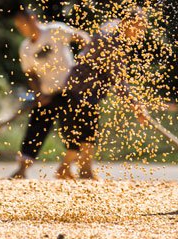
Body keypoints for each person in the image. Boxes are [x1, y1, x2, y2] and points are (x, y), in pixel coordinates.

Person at [56, 9, 149, 180]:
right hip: (82, 86)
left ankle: (75, 168)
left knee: (86, 128)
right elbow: (119, 81)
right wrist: (136, 105)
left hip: (85, 86)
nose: (141, 32)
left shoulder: (112, 26)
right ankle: (79, 169)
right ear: (129, 23)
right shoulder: (112, 41)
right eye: (139, 27)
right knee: (84, 129)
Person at [10, 9, 90, 179]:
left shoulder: (55, 30)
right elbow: (31, 74)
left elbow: (80, 36)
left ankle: (66, 167)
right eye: (18, 26)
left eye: (22, 23)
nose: (21, 28)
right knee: (35, 128)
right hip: (47, 93)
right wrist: (39, 93)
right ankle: (22, 169)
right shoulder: (25, 48)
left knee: (73, 129)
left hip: (69, 90)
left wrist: (86, 56)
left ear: (33, 18)